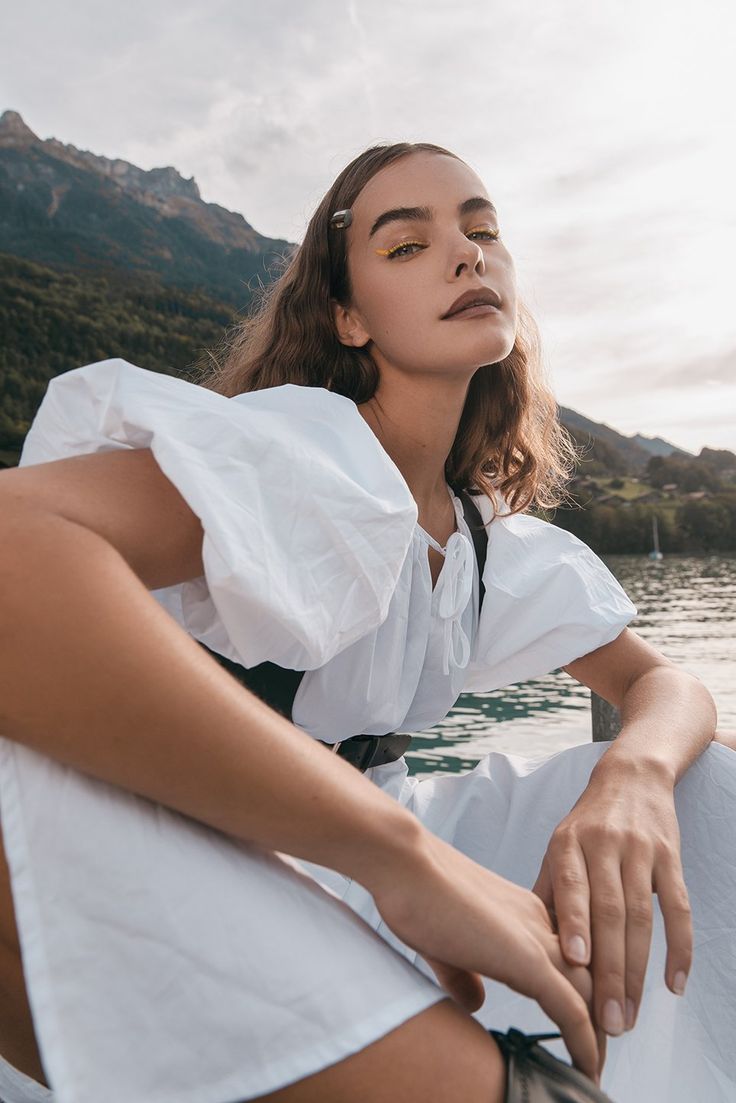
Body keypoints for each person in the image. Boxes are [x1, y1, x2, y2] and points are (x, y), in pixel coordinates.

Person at [0, 140, 734, 1103]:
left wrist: (631, 777)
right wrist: (403, 859)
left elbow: (664, 684)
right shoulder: (309, 451)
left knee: (703, 791)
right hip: (198, 857)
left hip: (356, 854)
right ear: (346, 316)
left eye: (481, 230)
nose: (467, 256)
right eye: (406, 245)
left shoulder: (478, 538)